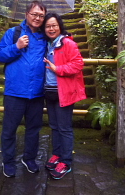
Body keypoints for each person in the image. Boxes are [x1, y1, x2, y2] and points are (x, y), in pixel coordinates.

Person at [0, 1, 47, 178]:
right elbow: (0, 55)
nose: (37, 18)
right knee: (9, 130)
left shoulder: (45, 36)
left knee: (34, 129)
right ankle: (8, 162)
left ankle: (29, 158)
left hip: (37, 93)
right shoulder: (13, 33)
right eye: (34, 14)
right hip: (14, 92)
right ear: (26, 14)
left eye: (41, 15)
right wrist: (16, 46)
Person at [43, 13, 86, 180]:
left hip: (64, 92)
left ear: (60, 26)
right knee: (54, 126)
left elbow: (78, 64)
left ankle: (66, 161)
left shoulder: (67, 43)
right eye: (48, 26)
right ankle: (57, 154)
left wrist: (57, 69)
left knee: (65, 128)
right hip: (49, 91)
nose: (51, 29)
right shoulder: (47, 44)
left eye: (54, 25)